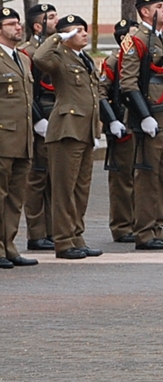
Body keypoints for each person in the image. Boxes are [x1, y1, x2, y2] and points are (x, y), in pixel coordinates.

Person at [33, 14, 122, 258]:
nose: (83, 34)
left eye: (84, 30)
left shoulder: (84, 59)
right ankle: (63, 242)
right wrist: (57, 37)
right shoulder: (58, 57)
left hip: (85, 131)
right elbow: (39, 57)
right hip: (65, 131)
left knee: (81, 190)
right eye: (77, 31)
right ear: (65, 36)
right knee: (64, 189)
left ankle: (77, 237)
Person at [120, 0, 163, 251]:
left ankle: (158, 228)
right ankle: (145, 232)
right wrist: (144, 115)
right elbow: (128, 82)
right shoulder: (136, 39)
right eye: (159, 6)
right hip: (151, 117)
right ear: (145, 12)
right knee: (147, 177)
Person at [0, 7, 39, 270]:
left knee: (15, 197)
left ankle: (9, 246)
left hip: (23, 139)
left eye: (18, 23)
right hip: (3, 137)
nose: (18, 27)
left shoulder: (23, 59)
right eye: (11, 24)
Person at [20, 2, 56, 251]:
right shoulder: (28, 52)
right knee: (38, 178)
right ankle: (36, 233)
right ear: (37, 25)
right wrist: (37, 119)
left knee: (55, 179)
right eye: (51, 17)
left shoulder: (56, 48)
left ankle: (53, 230)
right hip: (41, 116)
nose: (57, 20)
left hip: (58, 117)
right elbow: (27, 92)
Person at [101, 20, 138, 243]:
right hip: (121, 126)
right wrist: (112, 121)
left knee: (140, 178)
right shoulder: (114, 61)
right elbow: (101, 93)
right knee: (122, 180)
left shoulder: (136, 60)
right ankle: (122, 226)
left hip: (137, 123)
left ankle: (139, 222)